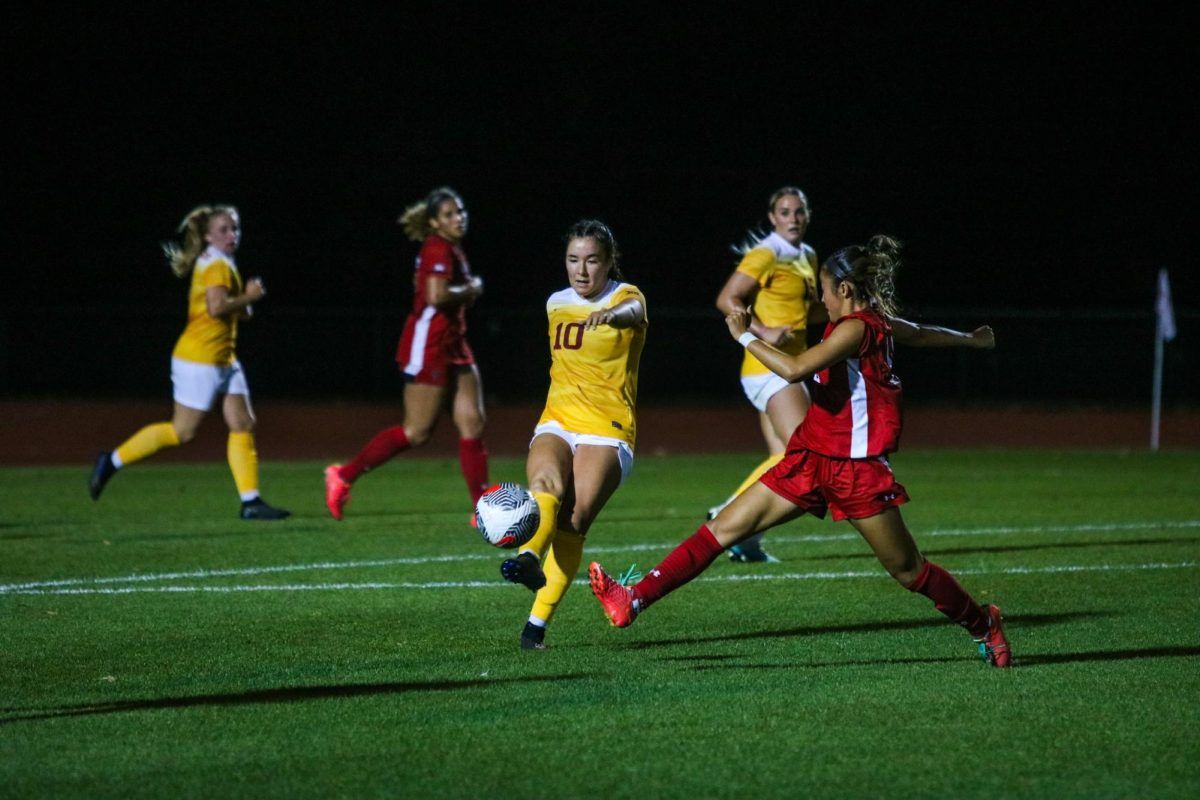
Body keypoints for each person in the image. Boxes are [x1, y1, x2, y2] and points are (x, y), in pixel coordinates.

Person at [590, 236, 1011, 667]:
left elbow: (794, 370)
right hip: (811, 457)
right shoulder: (872, 322)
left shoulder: (856, 328)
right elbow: (920, 334)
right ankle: (632, 600)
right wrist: (971, 340)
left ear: (844, 290)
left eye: (824, 290)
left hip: (857, 469)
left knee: (908, 570)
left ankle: (984, 624)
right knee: (723, 529)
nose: (819, 299)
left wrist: (744, 335)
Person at [712, 187, 996, 562]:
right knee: (805, 454)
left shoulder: (807, 256)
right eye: (785, 211)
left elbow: (811, 312)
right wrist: (761, 331)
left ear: (808, 215)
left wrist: (854, 313)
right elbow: (727, 299)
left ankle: (745, 537)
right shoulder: (768, 252)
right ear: (772, 217)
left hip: (789, 362)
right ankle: (727, 518)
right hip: (774, 366)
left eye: (799, 211)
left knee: (784, 455)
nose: (793, 218)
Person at [499, 220, 648, 651]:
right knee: (545, 485)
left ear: (608, 262)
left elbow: (633, 313)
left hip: (607, 426)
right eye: (573, 260)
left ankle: (535, 628)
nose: (581, 271)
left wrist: (611, 314)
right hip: (557, 419)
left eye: (592, 261)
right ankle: (528, 559)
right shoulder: (555, 303)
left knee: (573, 521)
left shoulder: (626, 296)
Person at [88, 205, 290, 520]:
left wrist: (245, 305)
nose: (232, 234)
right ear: (208, 235)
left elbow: (230, 310)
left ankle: (251, 502)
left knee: (242, 422)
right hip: (200, 358)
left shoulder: (222, 261)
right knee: (182, 432)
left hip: (224, 357)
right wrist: (249, 297)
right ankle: (111, 461)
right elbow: (216, 308)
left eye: (234, 228)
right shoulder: (217, 265)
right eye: (224, 229)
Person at [324, 187, 488, 521]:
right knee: (417, 432)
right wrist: (470, 289)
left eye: (461, 211)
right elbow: (437, 295)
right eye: (449, 214)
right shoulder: (437, 247)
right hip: (429, 344)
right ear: (434, 222)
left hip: (454, 343)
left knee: (472, 421)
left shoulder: (450, 247)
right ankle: (342, 476)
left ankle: (482, 508)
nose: (458, 218)